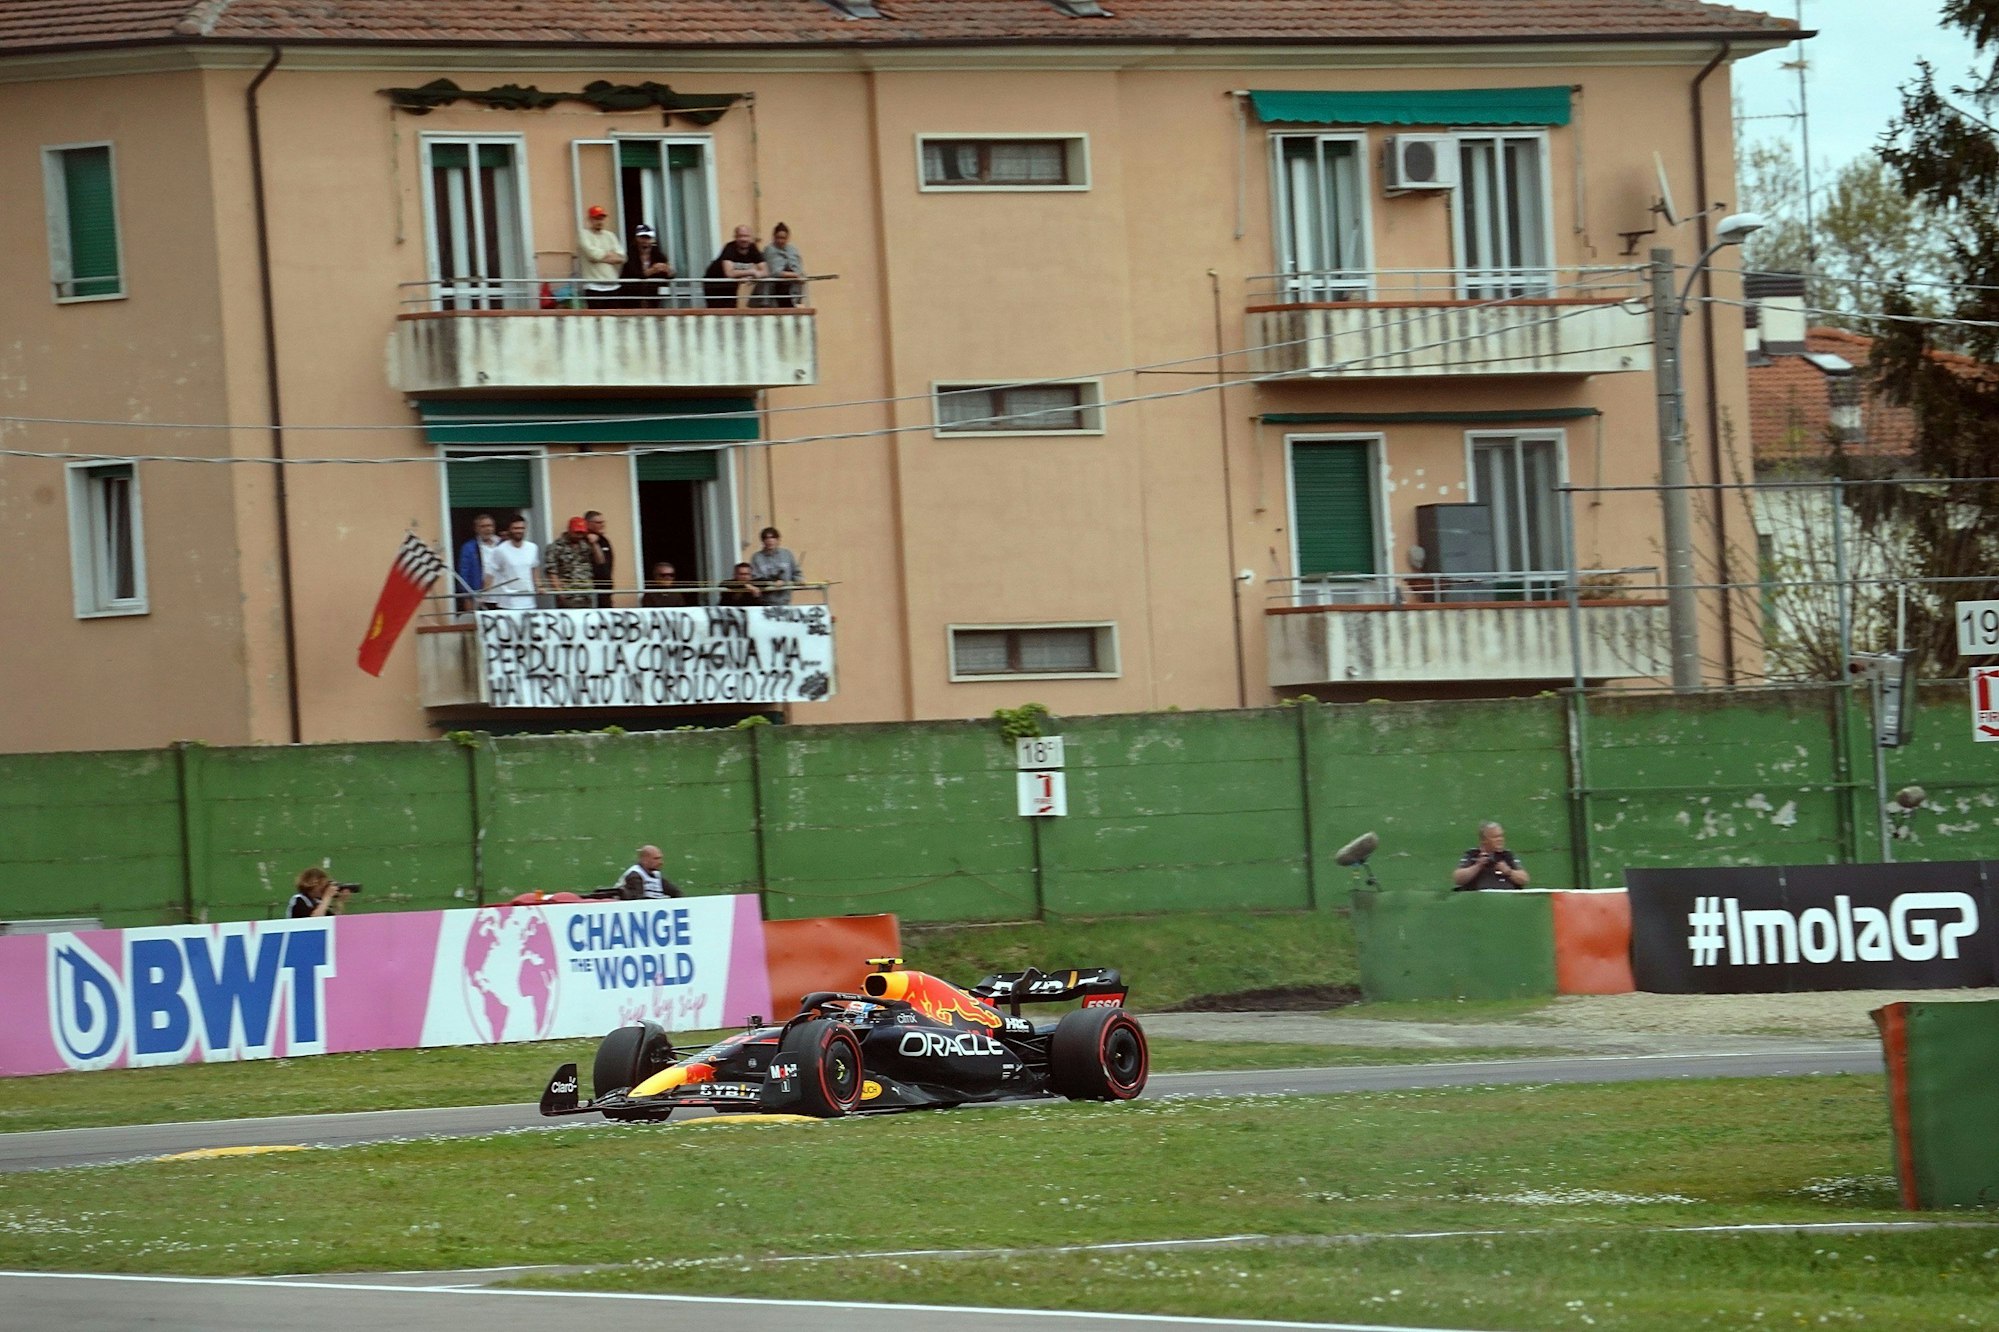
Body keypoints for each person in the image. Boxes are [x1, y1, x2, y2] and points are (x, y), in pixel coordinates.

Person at [481, 515, 544, 610]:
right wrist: (484, 596)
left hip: (529, 600)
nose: (519, 531)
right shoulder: (500, 550)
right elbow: (490, 574)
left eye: (522, 528)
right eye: (515, 528)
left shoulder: (532, 548)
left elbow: (534, 568)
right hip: (508, 602)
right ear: (509, 530)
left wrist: (539, 586)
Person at [1452, 821, 1529, 891]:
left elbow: (1524, 879)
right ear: (1484, 840)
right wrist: (1478, 865)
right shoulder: (1473, 854)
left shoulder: (1507, 855)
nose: (1500, 839)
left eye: (1501, 836)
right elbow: (1458, 879)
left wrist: (1508, 871)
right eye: (1496, 837)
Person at [703, 224, 766, 308]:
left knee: (731, 310)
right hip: (714, 284)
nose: (744, 239)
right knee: (717, 311)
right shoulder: (730, 248)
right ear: (735, 237)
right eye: (740, 236)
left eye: (746, 236)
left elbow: (765, 271)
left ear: (750, 237)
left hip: (731, 285)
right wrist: (751, 272)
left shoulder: (753, 248)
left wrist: (753, 277)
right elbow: (729, 273)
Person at [576, 204, 625, 309]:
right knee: (595, 320)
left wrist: (600, 257)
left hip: (613, 285)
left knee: (614, 319)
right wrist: (610, 254)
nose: (600, 221)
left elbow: (622, 257)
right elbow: (592, 254)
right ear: (590, 219)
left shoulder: (610, 235)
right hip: (593, 287)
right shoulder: (583, 234)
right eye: (596, 218)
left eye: (602, 218)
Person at [546, 517, 598, 608]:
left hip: (586, 595)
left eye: (582, 533)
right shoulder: (556, 547)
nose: (579, 535)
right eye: (576, 532)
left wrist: (594, 544)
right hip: (568, 596)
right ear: (569, 530)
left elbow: (599, 561)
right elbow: (551, 572)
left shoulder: (586, 545)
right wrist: (560, 593)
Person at [619, 223, 674, 308]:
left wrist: (667, 270)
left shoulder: (657, 254)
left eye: (648, 238)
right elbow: (633, 273)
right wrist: (652, 270)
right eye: (642, 237)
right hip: (632, 299)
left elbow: (670, 275)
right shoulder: (631, 254)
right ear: (637, 238)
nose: (645, 241)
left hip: (653, 298)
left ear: (652, 240)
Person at [748, 526, 802, 605]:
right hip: (764, 602)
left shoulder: (787, 554)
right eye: (766, 538)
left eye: (772, 537)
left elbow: (797, 573)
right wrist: (772, 583)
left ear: (778, 540)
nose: (769, 541)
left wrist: (797, 581)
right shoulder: (756, 557)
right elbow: (755, 579)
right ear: (762, 541)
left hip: (785, 601)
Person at [455, 512, 497, 612]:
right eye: (483, 526)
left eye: (490, 526)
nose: (487, 529)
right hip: (480, 597)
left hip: (502, 597)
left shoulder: (502, 545)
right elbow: (464, 574)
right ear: (476, 529)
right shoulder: (469, 548)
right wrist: (467, 598)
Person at [756, 221, 804, 308]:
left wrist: (797, 274)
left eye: (783, 238)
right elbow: (775, 272)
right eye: (778, 238)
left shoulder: (792, 250)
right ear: (774, 237)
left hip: (791, 292)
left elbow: (798, 267)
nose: (781, 241)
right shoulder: (769, 250)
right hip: (774, 292)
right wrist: (795, 275)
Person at [615, 844, 683, 900]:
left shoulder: (656, 875)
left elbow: (676, 893)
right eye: (656, 859)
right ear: (644, 860)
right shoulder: (634, 875)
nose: (661, 862)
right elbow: (636, 900)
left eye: (660, 858)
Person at [288, 868, 355, 919]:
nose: (325, 888)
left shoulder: (319, 903)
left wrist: (340, 902)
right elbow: (314, 920)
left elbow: (333, 922)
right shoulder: (299, 899)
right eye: (323, 885)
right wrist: (327, 896)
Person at [583, 510, 616, 606]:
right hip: (591, 588)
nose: (602, 525)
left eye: (603, 522)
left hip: (605, 587)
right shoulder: (583, 540)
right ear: (588, 524)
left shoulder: (604, 540)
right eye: (598, 522)